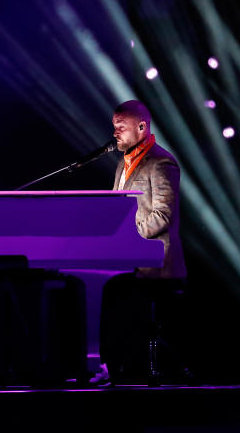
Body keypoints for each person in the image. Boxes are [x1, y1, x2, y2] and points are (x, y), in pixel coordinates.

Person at [91, 100, 188, 384]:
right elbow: (116, 208)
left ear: (142, 127)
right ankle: (113, 368)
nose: (115, 134)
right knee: (110, 297)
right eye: (114, 128)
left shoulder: (162, 162)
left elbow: (163, 214)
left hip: (157, 263)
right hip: (131, 259)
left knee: (118, 300)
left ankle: (123, 368)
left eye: (121, 127)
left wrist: (129, 240)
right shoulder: (123, 163)